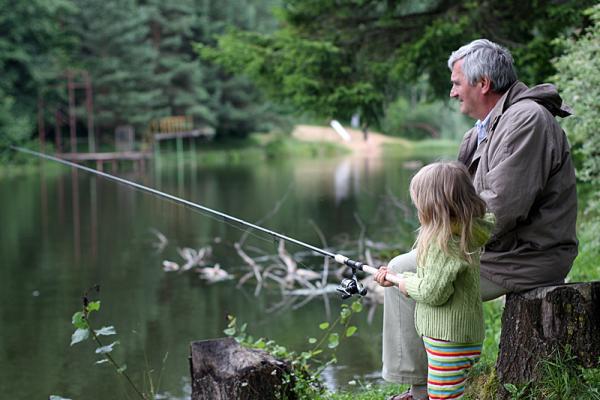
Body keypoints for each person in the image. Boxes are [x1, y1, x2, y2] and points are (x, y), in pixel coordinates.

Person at [376, 39, 578, 400]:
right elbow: (455, 203)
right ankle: (419, 384)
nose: (453, 93)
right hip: (495, 248)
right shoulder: (484, 128)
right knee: (408, 264)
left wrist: (439, 246)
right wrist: (434, 241)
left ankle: (422, 391)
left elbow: (501, 208)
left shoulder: (527, 120)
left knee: (412, 273)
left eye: (456, 83)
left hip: (527, 256)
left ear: (482, 83)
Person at [376, 161, 495, 400]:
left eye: (418, 202)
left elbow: (433, 293)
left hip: (448, 340)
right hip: (456, 336)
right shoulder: (464, 231)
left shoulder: (444, 243)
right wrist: (402, 277)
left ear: (432, 206)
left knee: (443, 396)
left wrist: (403, 283)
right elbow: (436, 281)